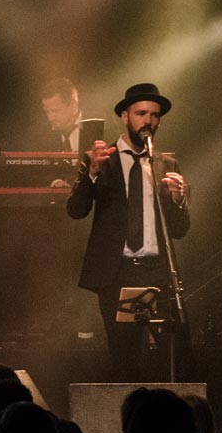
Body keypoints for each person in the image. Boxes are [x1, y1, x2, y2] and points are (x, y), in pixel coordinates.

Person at [67, 82, 191, 385]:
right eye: (141, 113)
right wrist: (91, 172)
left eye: (155, 115)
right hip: (118, 273)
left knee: (175, 355)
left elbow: (179, 230)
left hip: (156, 272)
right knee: (125, 359)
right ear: (125, 116)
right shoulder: (103, 160)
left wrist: (178, 200)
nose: (148, 121)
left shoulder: (165, 164)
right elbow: (76, 210)